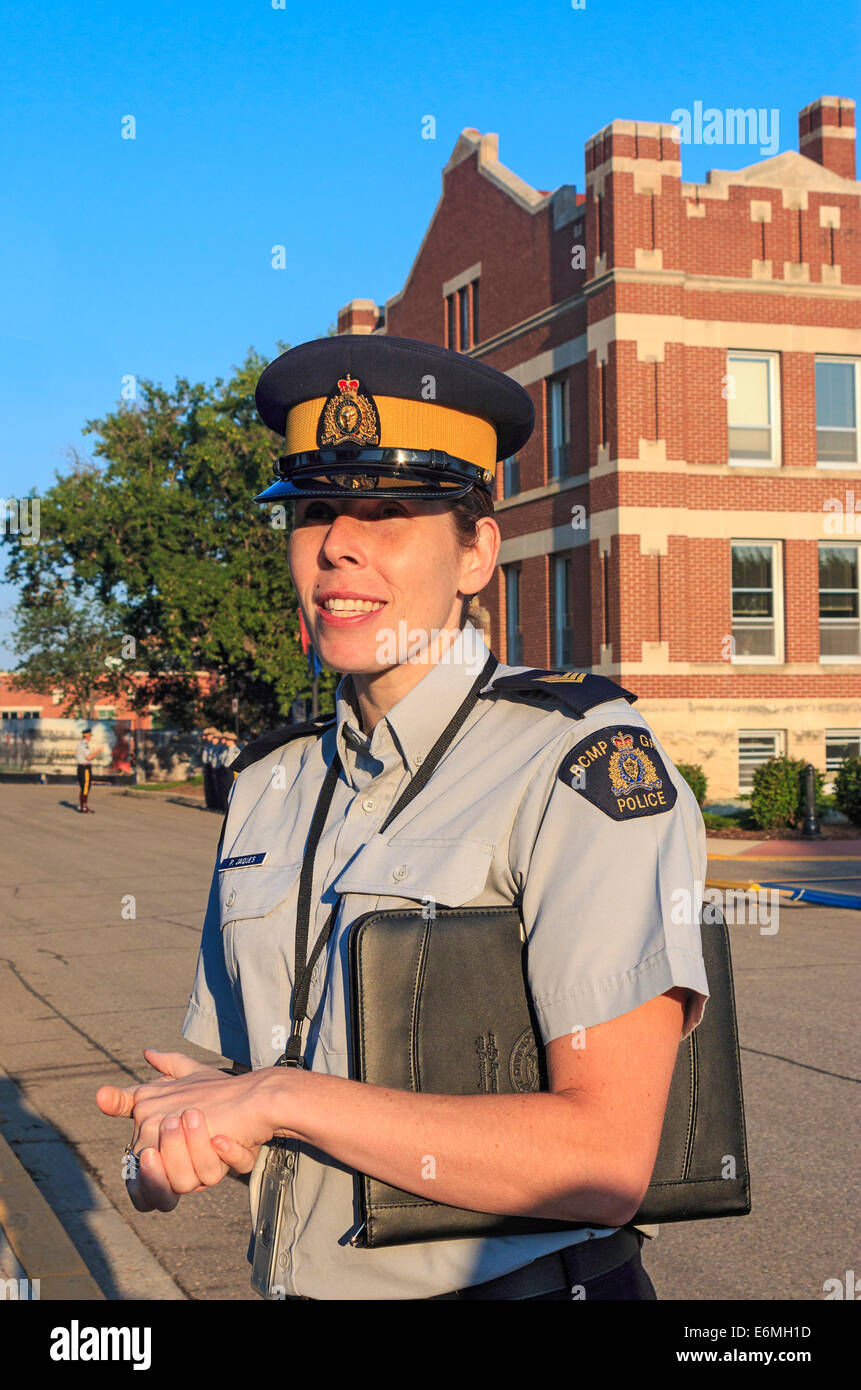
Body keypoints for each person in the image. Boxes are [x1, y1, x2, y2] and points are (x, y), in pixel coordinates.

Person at [96, 335, 709, 1301]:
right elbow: (262, 1093)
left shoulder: (578, 761)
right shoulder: (271, 783)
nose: (338, 543)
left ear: (476, 553)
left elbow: (605, 1153)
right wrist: (188, 1137)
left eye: (387, 512)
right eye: (314, 512)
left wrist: (282, 1100)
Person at [75, 728, 102, 814]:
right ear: (86, 736)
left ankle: (82, 805)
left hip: (80, 768)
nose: (90, 737)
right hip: (85, 768)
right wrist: (98, 751)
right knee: (86, 788)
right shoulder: (84, 745)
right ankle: (84, 807)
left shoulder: (80, 744)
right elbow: (89, 757)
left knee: (83, 788)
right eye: (90, 735)